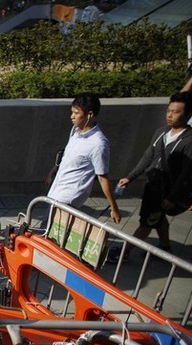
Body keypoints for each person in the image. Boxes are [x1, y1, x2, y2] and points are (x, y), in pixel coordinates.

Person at [112, 92, 192, 260]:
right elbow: (147, 156)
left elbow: (186, 174)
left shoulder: (189, 141)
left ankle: (124, 252)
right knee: (157, 217)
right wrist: (131, 177)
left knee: (146, 223)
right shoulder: (161, 132)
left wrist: (172, 197)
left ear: (188, 114)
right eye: (168, 110)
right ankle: (165, 247)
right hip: (153, 186)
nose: (169, 115)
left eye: (176, 112)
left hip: (166, 192)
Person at [46, 93, 121, 224]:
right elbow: (66, 157)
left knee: (54, 236)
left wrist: (114, 208)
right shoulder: (75, 130)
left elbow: (102, 177)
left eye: (76, 113)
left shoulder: (98, 144)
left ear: (90, 114)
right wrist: (53, 171)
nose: (72, 116)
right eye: (72, 112)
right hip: (55, 192)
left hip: (68, 199)